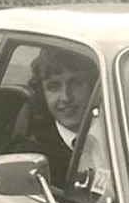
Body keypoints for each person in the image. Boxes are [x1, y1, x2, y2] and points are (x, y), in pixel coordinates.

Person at [12, 47, 99, 189]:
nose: (66, 97)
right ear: (42, 94)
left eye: (75, 83)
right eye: (54, 87)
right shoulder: (33, 153)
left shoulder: (124, 129)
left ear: (94, 87)